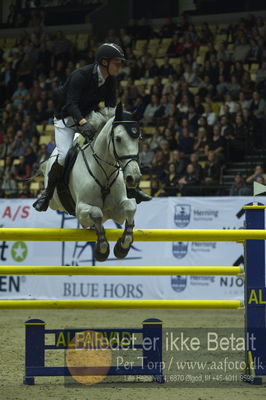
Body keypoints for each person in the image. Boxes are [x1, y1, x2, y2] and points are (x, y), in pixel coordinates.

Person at [33, 43, 151, 211]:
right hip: (66, 119)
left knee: (113, 146)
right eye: (117, 63)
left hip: (89, 116)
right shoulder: (80, 75)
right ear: (104, 62)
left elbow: (111, 108)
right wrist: (83, 123)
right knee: (63, 155)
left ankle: (132, 190)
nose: (120, 66)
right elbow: (71, 104)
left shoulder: (110, 79)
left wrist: (123, 127)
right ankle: (47, 194)